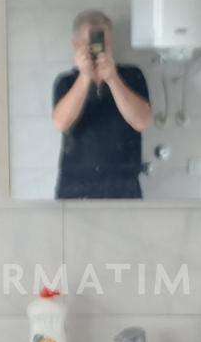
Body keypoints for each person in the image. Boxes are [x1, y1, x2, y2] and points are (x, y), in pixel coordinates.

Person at [52, 11, 153, 200]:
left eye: (102, 43)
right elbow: (61, 123)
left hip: (124, 186)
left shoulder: (132, 76)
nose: (97, 49)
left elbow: (143, 122)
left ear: (111, 44)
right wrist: (85, 76)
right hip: (74, 188)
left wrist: (113, 78)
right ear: (76, 45)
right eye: (89, 43)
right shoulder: (66, 82)